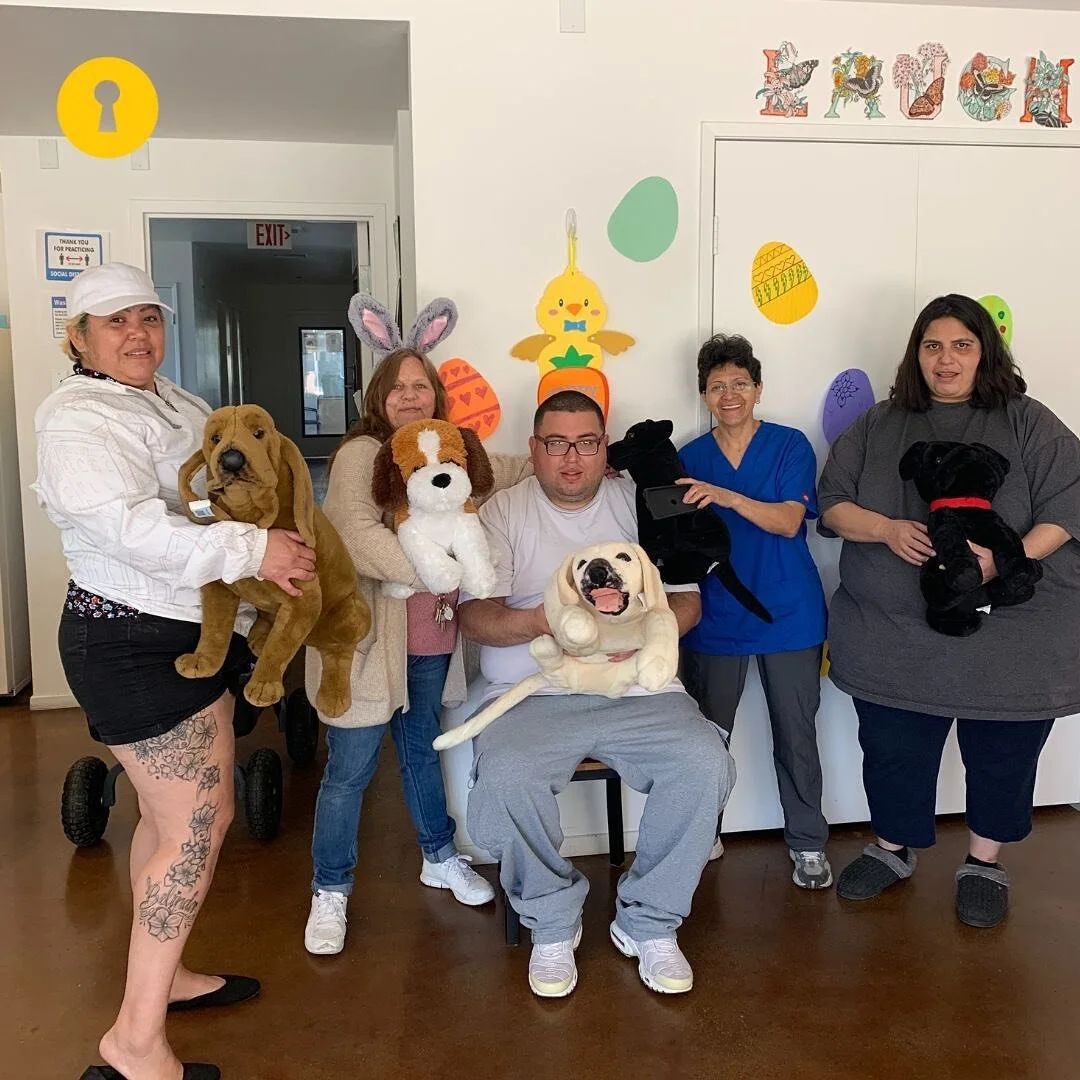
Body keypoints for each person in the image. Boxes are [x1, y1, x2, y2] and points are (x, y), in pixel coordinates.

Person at [34, 263, 316, 1080]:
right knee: (198, 825)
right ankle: (133, 1044)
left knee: (167, 825)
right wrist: (251, 548)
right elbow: (129, 528)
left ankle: (170, 978)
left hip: (191, 632)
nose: (138, 334)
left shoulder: (174, 400)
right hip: (129, 640)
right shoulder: (76, 420)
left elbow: (209, 493)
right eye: (115, 321)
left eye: (148, 318)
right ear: (79, 338)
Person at [458, 390, 736, 998]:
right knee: (506, 776)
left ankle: (650, 922)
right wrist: (546, 624)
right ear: (534, 448)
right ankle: (552, 923)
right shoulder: (503, 512)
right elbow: (474, 616)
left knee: (705, 763)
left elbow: (686, 600)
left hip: (640, 691)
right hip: (534, 691)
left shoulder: (641, 499)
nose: (572, 458)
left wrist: (631, 639)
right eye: (556, 443)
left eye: (586, 442)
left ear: (605, 447)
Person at [817, 293, 1080, 928]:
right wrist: (884, 529)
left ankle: (984, 862)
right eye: (933, 345)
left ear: (985, 352)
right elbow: (831, 503)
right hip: (893, 634)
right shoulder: (880, 424)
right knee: (893, 748)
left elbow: (1069, 507)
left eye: (962, 345)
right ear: (916, 354)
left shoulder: (1029, 421)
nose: (946, 359)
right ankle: (892, 847)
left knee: (1003, 752)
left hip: (1012, 633)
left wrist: (1004, 560)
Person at [303, 344, 533, 955]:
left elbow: (501, 470)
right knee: (349, 770)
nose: (409, 396)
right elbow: (354, 534)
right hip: (368, 643)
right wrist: (439, 571)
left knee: (421, 750)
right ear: (378, 398)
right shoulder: (362, 453)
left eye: (421, 386)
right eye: (397, 387)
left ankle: (439, 855)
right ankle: (330, 887)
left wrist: (562, 460)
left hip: (431, 637)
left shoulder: (447, 447)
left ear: (436, 395)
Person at [676, 333, 832, 889]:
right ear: (704, 394)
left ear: (758, 388)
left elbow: (789, 521)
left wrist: (725, 496)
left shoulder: (790, 445)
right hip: (715, 614)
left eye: (740, 383)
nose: (730, 394)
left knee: (796, 734)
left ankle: (808, 842)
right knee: (706, 740)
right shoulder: (689, 457)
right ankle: (704, 834)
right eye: (718, 385)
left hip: (789, 612)